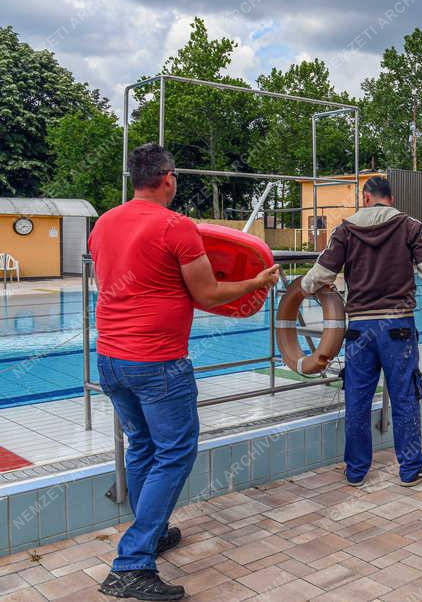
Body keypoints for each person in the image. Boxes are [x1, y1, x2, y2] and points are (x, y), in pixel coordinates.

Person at [89, 143, 279, 601]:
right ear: (168, 178)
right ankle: (131, 563)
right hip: (156, 362)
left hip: (110, 358)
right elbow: (208, 294)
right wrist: (256, 282)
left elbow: (111, 283)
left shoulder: (104, 223)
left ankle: (151, 534)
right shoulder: (177, 227)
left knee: (142, 447)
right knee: (175, 452)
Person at [300, 176, 422, 488]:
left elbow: (321, 273)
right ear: (390, 199)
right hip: (398, 327)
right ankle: (410, 469)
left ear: (366, 197)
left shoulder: (345, 230)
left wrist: (304, 288)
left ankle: (356, 471)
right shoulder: (409, 226)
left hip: (360, 330)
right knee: (405, 396)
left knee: (357, 399)